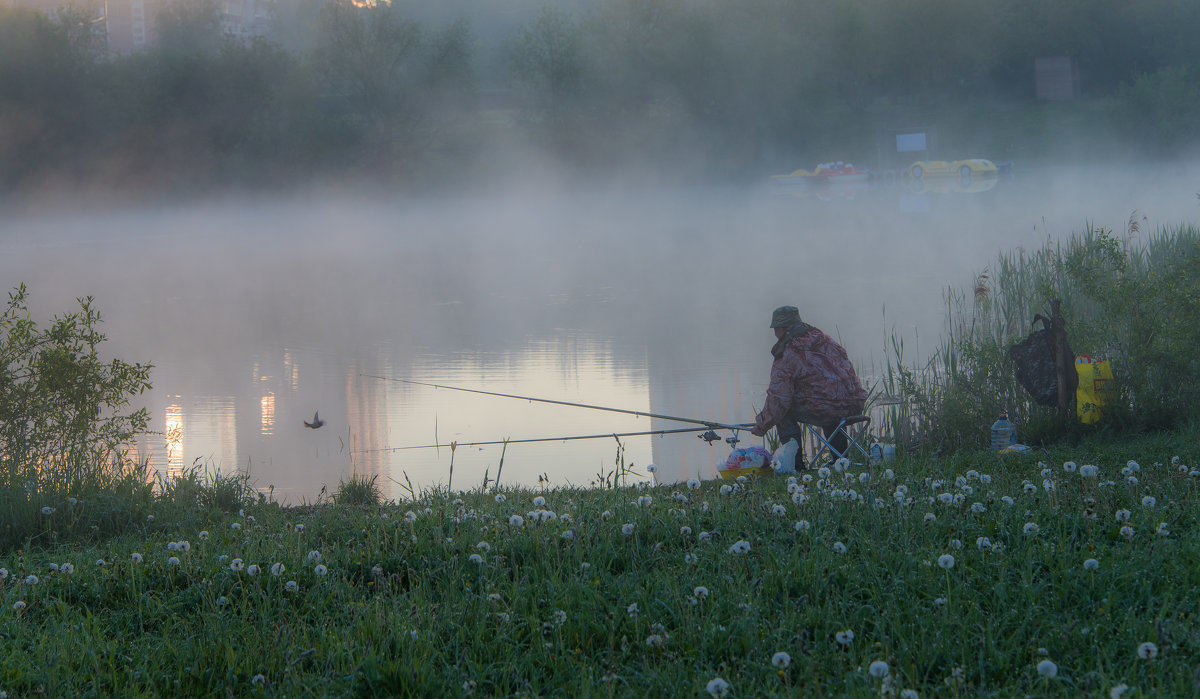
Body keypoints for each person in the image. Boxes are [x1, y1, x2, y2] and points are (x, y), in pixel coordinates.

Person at [750, 306, 867, 466]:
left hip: (827, 410)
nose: (774, 334)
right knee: (830, 401)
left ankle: (795, 466)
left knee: (784, 412)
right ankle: (840, 460)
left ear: (782, 328)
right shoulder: (826, 341)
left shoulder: (788, 351)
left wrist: (762, 424)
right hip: (853, 405)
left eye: (775, 329)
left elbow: (778, 399)